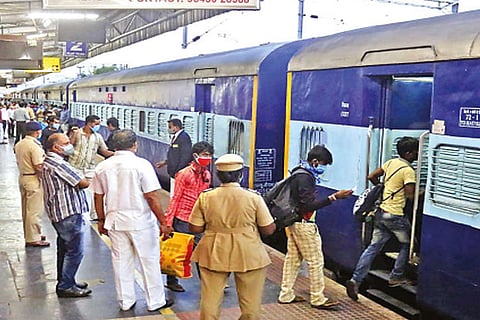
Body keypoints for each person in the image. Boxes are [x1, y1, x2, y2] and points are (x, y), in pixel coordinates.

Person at [92, 129, 174, 312]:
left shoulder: (103, 167)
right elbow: (152, 196)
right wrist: (164, 221)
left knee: (121, 262)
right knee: (148, 260)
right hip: (141, 222)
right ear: (135, 145)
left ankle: (125, 300)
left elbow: (98, 196)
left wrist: (101, 220)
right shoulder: (141, 165)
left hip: (115, 222)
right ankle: (155, 301)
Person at [189, 154, 276, 320]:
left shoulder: (206, 197)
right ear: (240, 174)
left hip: (213, 251)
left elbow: (195, 227)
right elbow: (268, 230)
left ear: (218, 175)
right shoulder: (253, 197)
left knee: (210, 300)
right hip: (248, 251)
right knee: (251, 304)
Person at [277, 145, 352, 309]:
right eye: (324, 164)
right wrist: (334, 197)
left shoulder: (298, 172)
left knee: (293, 259)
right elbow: (307, 206)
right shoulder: (306, 178)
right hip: (304, 224)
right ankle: (318, 298)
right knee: (316, 261)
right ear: (315, 162)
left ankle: (286, 294)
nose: (324, 168)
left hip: (292, 222)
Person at [346, 137, 419, 301]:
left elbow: (371, 176)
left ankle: (355, 280)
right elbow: (410, 195)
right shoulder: (408, 171)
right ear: (408, 153)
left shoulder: (391, 163)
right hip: (395, 216)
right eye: (415, 152)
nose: (416, 155)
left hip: (382, 213)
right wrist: (423, 193)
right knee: (408, 243)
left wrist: (383, 186)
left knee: (373, 248)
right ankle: (396, 276)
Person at [41, 133, 92, 298]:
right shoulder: (58, 163)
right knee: (75, 251)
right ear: (56, 147)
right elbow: (83, 183)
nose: (70, 145)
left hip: (58, 212)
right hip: (68, 213)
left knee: (64, 250)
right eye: (66, 142)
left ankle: (66, 280)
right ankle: (66, 286)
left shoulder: (48, 161)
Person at [164, 141, 213, 293]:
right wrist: (168, 222)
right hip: (182, 218)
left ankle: (206, 281)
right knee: (178, 251)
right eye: (205, 155)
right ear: (195, 156)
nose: (208, 158)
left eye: (210, 155)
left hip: (198, 219)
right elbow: (175, 198)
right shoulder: (184, 174)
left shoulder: (206, 175)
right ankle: (172, 281)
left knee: (202, 251)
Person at [68, 115, 114, 221]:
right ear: (89, 123)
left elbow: (104, 151)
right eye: (96, 124)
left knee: (96, 190)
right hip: (75, 166)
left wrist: (117, 154)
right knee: (73, 190)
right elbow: (69, 146)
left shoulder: (98, 137)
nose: (98, 126)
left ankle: (95, 214)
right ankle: (74, 212)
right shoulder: (77, 133)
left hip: (90, 167)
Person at [14, 121, 49, 247]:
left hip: (23, 177)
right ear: (37, 132)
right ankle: (33, 238)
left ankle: (30, 234)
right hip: (33, 179)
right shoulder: (34, 146)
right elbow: (38, 165)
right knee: (34, 210)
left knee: (26, 209)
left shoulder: (20, 143)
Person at [155, 118, 192, 195]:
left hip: (177, 173)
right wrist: (165, 162)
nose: (169, 129)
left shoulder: (184, 138)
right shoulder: (176, 137)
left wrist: (178, 171)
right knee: (173, 194)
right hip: (173, 172)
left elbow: (185, 157)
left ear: (176, 127)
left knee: (176, 194)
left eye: (170, 127)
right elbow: (175, 155)